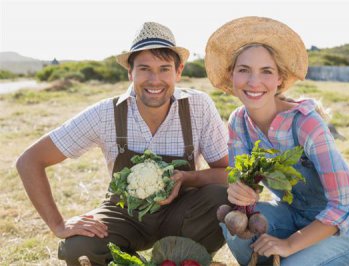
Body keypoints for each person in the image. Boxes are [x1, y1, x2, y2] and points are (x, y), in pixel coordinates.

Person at [16, 21, 229, 265]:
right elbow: (29, 161)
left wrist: (188, 178)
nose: (154, 80)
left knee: (221, 197)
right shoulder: (106, 113)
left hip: (182, 215)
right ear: (130, 73)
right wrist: (58, 224)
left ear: (178, 71)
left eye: (164, 68)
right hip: (125, 214)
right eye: (144, 69)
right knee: (79, 249)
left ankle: (182, 259)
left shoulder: (198, 106)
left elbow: (228, 173)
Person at [204, 16, 349, 265]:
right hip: (291, 215)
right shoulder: (238, 121)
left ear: (279, 79)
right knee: (232, 224)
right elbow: (240, 178)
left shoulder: (305, 123)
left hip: (345, 228)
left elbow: (345, 204)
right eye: (244, 70)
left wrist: (289, 244)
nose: (254, 82)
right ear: (232, 76)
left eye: (266, 71)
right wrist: (240, 190)